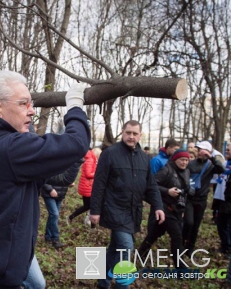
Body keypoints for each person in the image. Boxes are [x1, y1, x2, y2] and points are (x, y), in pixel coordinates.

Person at [0, 71, 90, 289]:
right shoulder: (9, 149)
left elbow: (34, 180)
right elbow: (77, 144)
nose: (31, 111)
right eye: (23, 104)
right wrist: (75, 107)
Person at [89, 120, 165, 289]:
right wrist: (94, 210)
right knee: (126, 247)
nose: (131, 136)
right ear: (122, 132)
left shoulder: (144, 158)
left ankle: (103, 282)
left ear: (140, 135)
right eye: (128, 132)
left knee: (115, 249)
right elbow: (99, 183)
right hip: (113, 208)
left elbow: (151, 185)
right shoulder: (110, 153)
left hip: (133, 212)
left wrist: (159, 206)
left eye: (135, 133)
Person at [137, 149, 191, 268]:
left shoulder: (186, 172)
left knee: (155, 233)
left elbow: (185, 192)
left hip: (177, 209)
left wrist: (182, 209)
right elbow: (151, 185)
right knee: (177, 236)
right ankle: (181, 268)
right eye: (182, 159)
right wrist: (167, 191)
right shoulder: (166, 170)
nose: (184, 162)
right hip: (164, 208)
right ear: (175, 159)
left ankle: (141, 253)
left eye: (187, 160)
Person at [182, 141, 225, 256]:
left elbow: (222, 169)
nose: (199, 151)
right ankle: (181, 243)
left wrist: (211, 157)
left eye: (202, 150)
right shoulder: (191, 164)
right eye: (199, 149)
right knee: (188, 222)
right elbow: (184, 176)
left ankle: (190, 248)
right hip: (190, 198)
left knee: (196, 226)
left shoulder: (211, 165)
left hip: (202, 199)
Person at [41, 159, 82, 249]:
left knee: (53, 216)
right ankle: (55, 239)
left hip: (60, 194)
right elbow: (42, 178)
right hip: (49, 194)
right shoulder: (50, 163)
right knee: (54, 215)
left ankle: (48, 236)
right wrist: (50, 189)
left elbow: (64, 178)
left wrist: (69, 182)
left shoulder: (67, 164)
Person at [67, 147, 101, 227]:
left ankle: (91, 223)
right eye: (100, 155)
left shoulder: (93, 160)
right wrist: (98, 173)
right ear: (96, 154)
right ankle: (71, 217)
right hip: (87, 187)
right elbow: (88, 174)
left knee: (92, 206)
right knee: (88, 206)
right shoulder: (90, 160)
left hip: (89, 187)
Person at [213, 144, 231, 256]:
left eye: (229, 150)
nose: (227, 151)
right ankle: (225, 245)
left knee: (226, 224)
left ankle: (227, 247)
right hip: (220, 197)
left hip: (228, 199)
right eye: (227, 149)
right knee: (220, 223)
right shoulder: (225, 163)